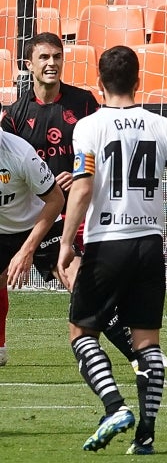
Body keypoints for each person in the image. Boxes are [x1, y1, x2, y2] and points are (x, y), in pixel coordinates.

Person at [58, 46, 167, 454]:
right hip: (149, 245)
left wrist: (66, 242)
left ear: (99, 83)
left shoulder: (89, 126)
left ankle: (114, 407)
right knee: (148, 343)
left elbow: (83, 188)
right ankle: (145, 436)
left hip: (107, 243)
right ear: (138, 81)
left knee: (81, 332)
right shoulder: (162, 126)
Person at [1, 32, 152, 369]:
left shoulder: (83, 103)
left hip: (76, 209)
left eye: (57, 56)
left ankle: (139, 352)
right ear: (28, 65)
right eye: (43, 57)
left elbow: (108, 148)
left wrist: (80, 173)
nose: (51, 63)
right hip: (30, 213)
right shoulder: (14, 115)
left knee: (80, 280)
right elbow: (8, 170)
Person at [0, 128, 65, 365]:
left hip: (39, 222)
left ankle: (137, 346)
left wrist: (26, 251)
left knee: (74, 277)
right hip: (2, 229)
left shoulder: (19, 152)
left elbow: (56, 199)